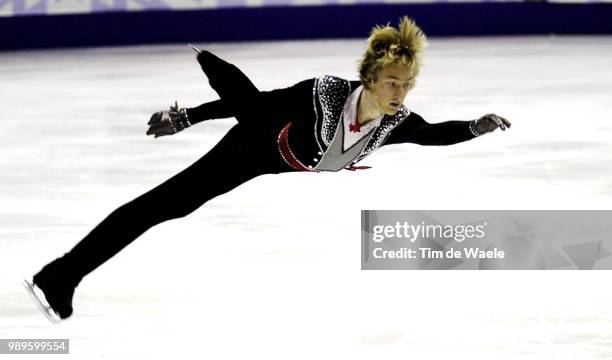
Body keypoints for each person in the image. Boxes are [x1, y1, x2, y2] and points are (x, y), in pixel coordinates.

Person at [26, 16, 511, 321]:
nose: (400, 94)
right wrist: (188, 117)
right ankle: (60, 276)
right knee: (161, 208)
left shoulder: (394, 121)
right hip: (253, 144)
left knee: (165, 208)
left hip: (280, 161)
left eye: (407, 84)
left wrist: (475, 126)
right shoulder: (324, 94)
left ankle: (60, 274)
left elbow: (433, 133)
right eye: (391, 83)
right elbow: (253, 106)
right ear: (369, 78)